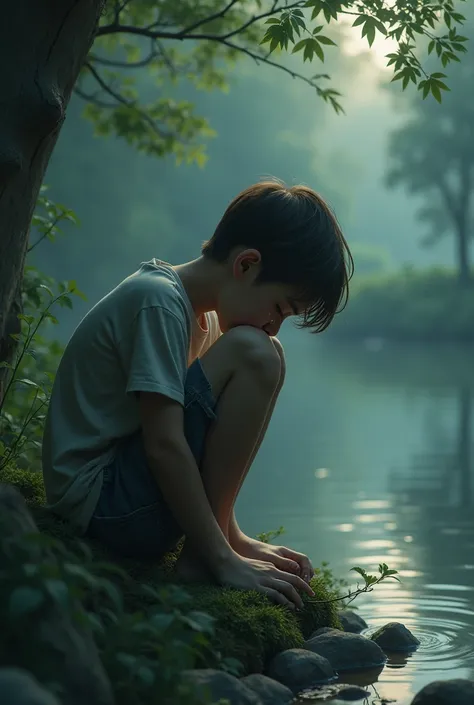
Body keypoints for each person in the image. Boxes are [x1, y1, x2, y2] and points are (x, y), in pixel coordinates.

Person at [42, 178, 353, 611]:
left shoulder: (201, 319)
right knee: (257, 353)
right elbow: (165, 444)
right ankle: (205, 559)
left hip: (124, 499)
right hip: (102, 506)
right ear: (246, 265)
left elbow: (198, 438)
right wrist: (224, 561)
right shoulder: (159, 301)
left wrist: (232, 538)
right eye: (280, 307)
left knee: (266, 352)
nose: (274, 324)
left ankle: (222, 533)